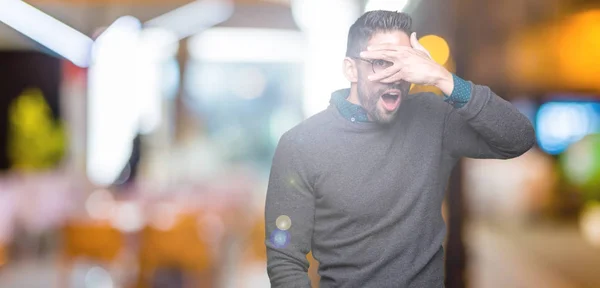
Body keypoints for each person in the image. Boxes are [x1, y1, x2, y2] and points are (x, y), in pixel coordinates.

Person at [264, 10, 535, 288]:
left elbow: (518, 137)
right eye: (381, 62)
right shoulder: (300, 144)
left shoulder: (434, 119)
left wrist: (444, 79)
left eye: (403, 63)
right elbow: (284, 256)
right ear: (350, 69)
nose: (395, 76)